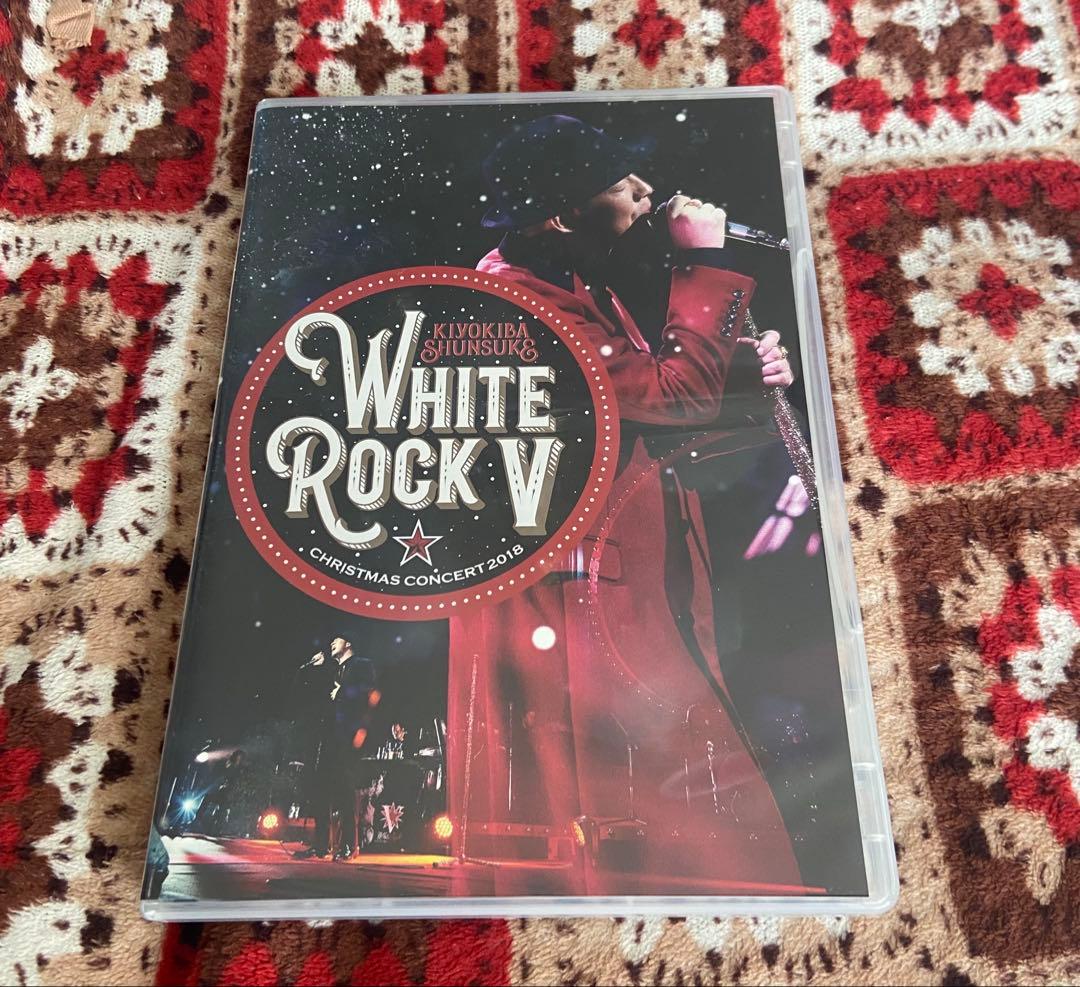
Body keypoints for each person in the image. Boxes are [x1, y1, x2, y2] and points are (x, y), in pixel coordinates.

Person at [447, 115, 804, 894]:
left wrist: (740, 370)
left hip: (616, 584)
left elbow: (638, 398)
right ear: (563, 213)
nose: (646, 190)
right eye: (621, 181)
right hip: (585, 604)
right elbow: (672, 398)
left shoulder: (569, 280)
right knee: (670, 813)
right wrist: (704, 265)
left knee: (676, 801)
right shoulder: (520, 301)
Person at [294, 636, 377, 860]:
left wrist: (342, 692)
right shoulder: (332, 671)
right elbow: (313, 692)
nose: (331, 644)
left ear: (348, 643)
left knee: (344, 790)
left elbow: (368, 692)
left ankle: (350, 845)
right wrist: (316, 668)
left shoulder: (362, 664)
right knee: (320, 789)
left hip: (348, 738)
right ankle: (321, 845)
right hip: (327, 737)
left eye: (336, 640)